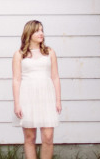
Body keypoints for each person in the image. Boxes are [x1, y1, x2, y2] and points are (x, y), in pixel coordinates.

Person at [12, 20, 61, 159]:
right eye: (37, 31)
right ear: (29, 33)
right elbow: (16, 80)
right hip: (27, 97)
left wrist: (58, 100)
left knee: (48, 136)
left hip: (47, 96)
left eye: (42, 30)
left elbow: (55, 77)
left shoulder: (49, 52)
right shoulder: (19, 54)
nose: (41, 33)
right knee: (29, 137)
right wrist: (17, 104)